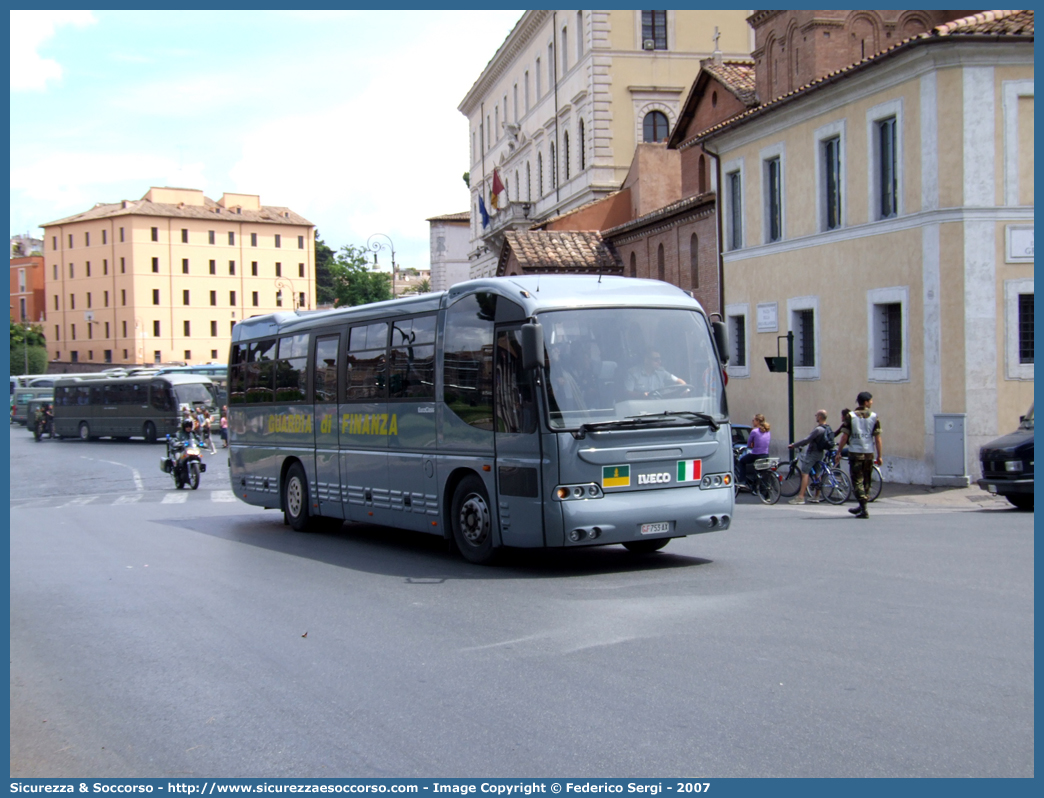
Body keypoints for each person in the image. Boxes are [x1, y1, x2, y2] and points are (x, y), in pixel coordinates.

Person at [835, 392, 882, 519]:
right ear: (866, 402)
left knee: (857, 481)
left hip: (855, 453)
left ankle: (863, 507)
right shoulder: (874, 417)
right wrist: (879, 455)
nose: (872, 402)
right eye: (871, 401)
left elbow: (844, 436)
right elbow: (877, 439)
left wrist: (838, 451)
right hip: (868, 453)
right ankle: (862, 506)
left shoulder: (851, 416)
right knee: (866, 480)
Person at [787, 410, 832, 504]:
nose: (815, 416)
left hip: (812, 453)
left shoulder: (818, 429)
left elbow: (807, 440)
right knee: (817, 473)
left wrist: (794, 445)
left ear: (819, 417)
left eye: (816, 415)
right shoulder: (827, 428)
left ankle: (800, 497)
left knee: (805, 473)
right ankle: (816, 496)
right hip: (820, 453)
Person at [737, 414, 771, 488]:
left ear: (758, 421)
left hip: (756, 454)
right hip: (765, 454)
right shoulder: (768, 431)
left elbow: (749, 444)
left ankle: (742, 481)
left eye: (753, 420)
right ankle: (765, 493)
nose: (752, 422)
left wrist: (751, 445)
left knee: (742, 461)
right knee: (763, 471)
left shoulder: (754, 431)